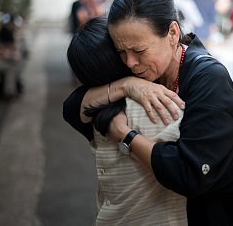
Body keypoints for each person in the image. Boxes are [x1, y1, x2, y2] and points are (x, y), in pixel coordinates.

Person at [63, 0, 233, 226]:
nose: (130, 62)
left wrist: (126, 135)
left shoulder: (208, 77)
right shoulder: (142, 76)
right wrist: (125, 85)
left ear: (172, 33)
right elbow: (72, 108)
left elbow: (190, 173)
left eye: (138, 50)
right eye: (121, 51)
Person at [67, 16, 187, 225]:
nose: (131, 60)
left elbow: (70, 107)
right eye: (122, 51)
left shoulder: (95, 116)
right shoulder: (161, 107)